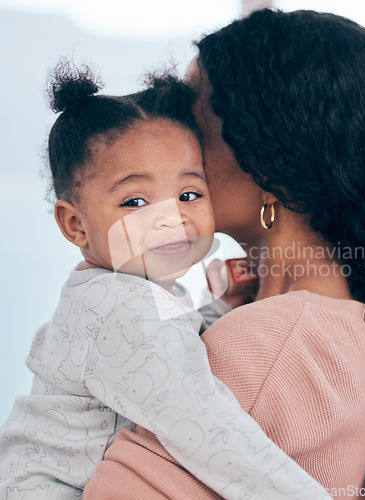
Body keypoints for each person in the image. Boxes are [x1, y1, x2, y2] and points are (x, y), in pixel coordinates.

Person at [84, 8, 365, 500]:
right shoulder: (333, 328)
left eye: (191, 108)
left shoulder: (278, 342)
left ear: (268, 166)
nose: (170, 132)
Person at [0, 61, 332, 500]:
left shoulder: (117, 294)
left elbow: (163, 352)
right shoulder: (119, 306)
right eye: (135, 201)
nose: (171, 218)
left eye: (189, 194)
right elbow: (204, 425)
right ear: (75, 224)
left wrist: (218, 310)